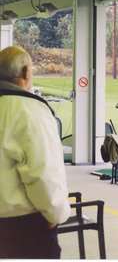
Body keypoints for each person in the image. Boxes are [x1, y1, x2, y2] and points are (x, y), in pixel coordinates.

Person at [0, 46, 70, 259]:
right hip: (23, 227)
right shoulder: (30, 109)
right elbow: (42, 171)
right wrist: (55, 212)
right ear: (26, 73)